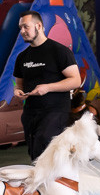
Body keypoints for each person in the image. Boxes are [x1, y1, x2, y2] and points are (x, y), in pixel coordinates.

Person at [13, 10, 83, 161]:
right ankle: (41, 175)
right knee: (34, 152)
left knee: (45, 142)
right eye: (20, 28)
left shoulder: (59, 51)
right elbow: (19, 84)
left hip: (55, 110)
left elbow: (75, 80)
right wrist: (18, 90)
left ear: (38, 26)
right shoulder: (22, 57)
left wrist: (47, 87)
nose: (22, 31)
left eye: (26, 27)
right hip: (31, 112)